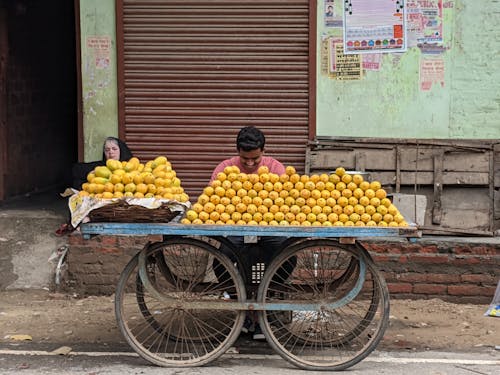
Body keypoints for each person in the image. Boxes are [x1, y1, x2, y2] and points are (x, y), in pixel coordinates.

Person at [210, 126, 290, 340]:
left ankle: (266, 306)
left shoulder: (275, 168)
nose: (250, 163)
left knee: (287, 257)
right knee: (221, 260)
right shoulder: (225, 168)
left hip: (269, 229)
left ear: (263, 151)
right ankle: (242, 305)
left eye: (255, 159)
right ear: (238, 151)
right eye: (245, 159)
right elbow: (212, 200)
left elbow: (288, 201)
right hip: (235, 229)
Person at [56, 137, 133, 236]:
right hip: (101, 197)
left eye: (114, 149)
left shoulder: (130, 167)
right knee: (79, 185)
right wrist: (93, 174)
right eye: (107, 150)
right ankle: (82, 219)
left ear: (121, 151)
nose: (111, 153)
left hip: (119, 201)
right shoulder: (101, 168)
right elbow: (76, 169)